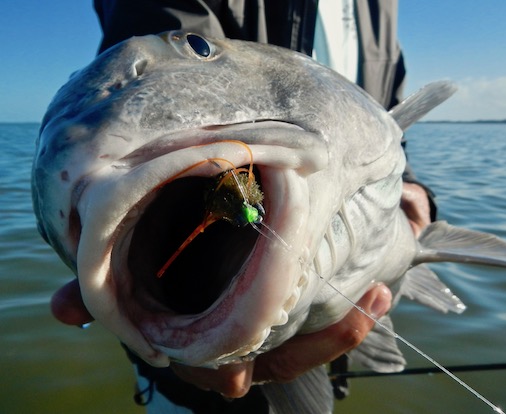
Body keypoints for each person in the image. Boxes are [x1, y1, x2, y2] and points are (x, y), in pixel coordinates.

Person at [51, 0, 435, 412]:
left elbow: (388, 127)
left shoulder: (381, 7)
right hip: (189, 397)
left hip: (351, 313)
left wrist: (416, 196)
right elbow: (158, 26)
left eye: (198, 48)